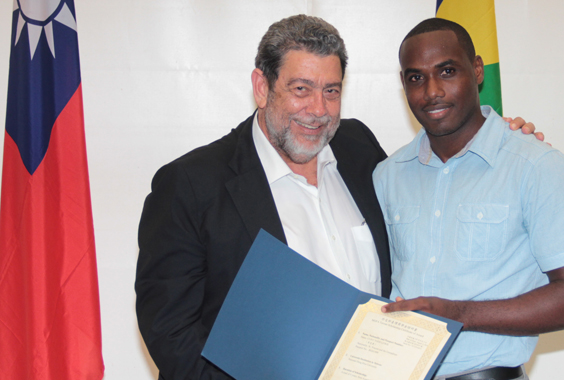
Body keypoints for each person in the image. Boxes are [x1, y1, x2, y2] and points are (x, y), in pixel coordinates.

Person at [136, 15, 538, 380]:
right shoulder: (190, 184)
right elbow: (171, 336)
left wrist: (502, 140)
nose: (318, 110)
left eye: (331, 90)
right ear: (262, 87)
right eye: (300, 89)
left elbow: (432, 196)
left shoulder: (357, 146)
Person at [374, 18, 564, 380]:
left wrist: (458, 314)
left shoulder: (537, 166)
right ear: (403, 84)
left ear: (477, 70)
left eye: (447, 71)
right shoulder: (386, 175)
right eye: (416, 77)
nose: (431, 91)